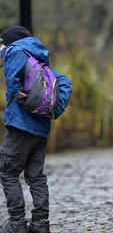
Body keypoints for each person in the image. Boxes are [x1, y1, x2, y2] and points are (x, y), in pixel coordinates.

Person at [0, 26, 69, 233]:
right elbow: (65, 82)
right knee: (35, 176)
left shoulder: (14, 51)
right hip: (41, 127)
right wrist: (53, 110)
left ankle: (17, 223)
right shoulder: (38, 59)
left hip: (21, 125)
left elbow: (12, 85)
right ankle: (41, 223)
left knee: (7, 172)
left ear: (8, 41)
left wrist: (16, 103)